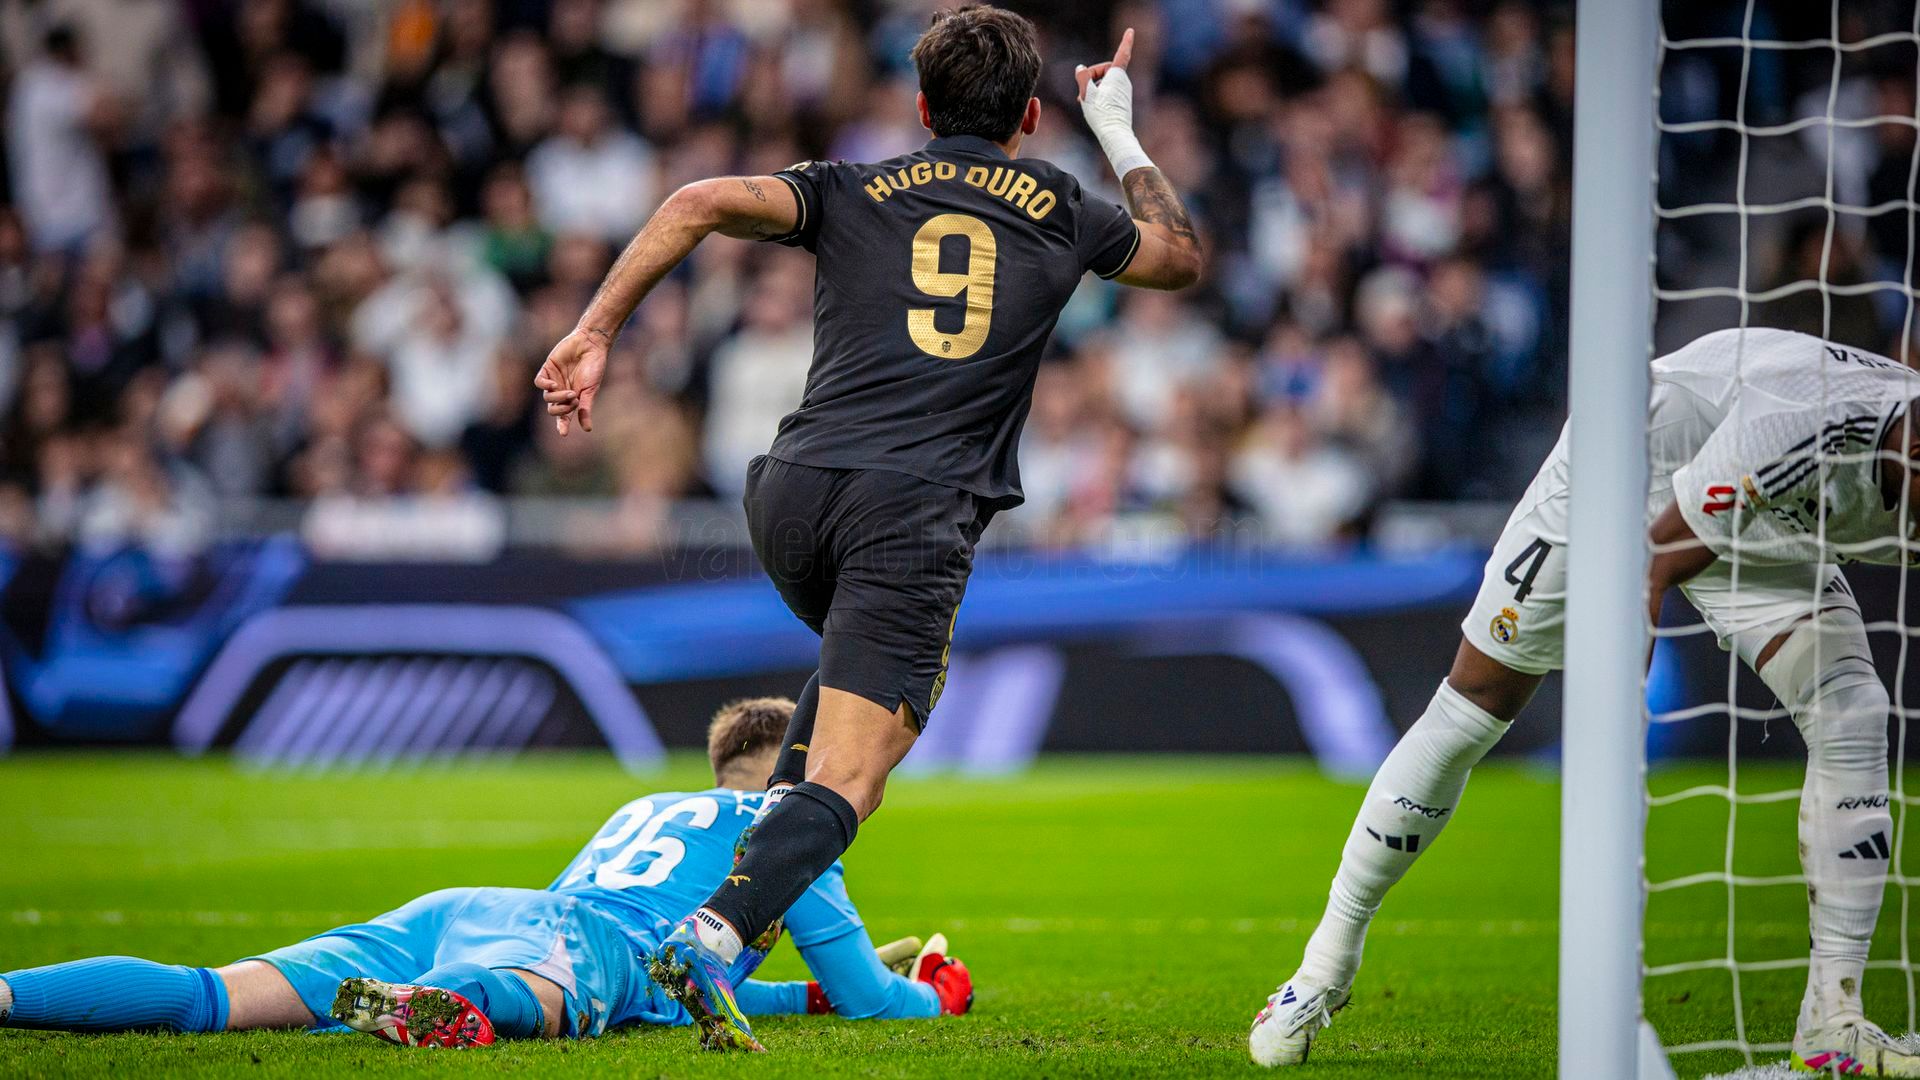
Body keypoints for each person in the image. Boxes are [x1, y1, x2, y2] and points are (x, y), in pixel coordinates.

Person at [534, 4, 1200, 1053]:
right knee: (856, 777)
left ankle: (737, 916)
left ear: (923, 108)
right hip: (912, 514)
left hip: (789, 498)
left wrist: (592, 329)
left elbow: (700, 198)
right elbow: (1178, 258)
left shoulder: (851, 186)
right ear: (1029, 113)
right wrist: (1114, 126)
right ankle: (704, 941)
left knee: (822, 756)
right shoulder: (1065, 207)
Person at [1251, 327, 1920, 1076]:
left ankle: (1833, 1024)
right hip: (1638, 462)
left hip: (1772, 515)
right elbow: (1653, 565)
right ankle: (1321, 968)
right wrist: (1615, 711)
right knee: (1478, 700)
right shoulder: (1806, 421)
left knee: (1852, 709)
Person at [0, 698, 972, 1047]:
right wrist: (933, 996)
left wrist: (804, 999)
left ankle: (11, 994)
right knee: (531, 1000)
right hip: (573, 946)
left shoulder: (648, 808)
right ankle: (432, 1007)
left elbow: (702, 979)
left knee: (210, 998)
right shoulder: (789, 829)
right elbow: (876, 1005)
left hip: (480, 909)